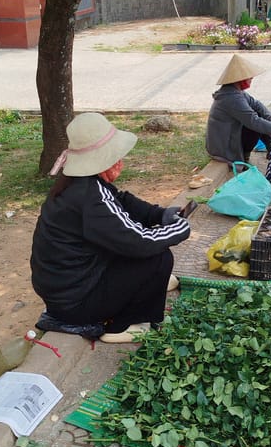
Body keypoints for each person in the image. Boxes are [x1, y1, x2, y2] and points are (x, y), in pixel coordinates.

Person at [30, 112, 190, 343]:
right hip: (76, 303)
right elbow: (141, 242)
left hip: (65, 290)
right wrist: (179, 229)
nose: (120, 162)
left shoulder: (79, 183)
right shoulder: (91, 199)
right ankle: (121, 326)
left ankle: (142, 292)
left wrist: (158, 214)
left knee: (145, 260)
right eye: (115, 157)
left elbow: (122, 200)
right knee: (158, 259)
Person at [205, 54, 271, 167]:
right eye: (249, 77)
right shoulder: (232, 98)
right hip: (223, 149)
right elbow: (254, 121)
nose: (252, 79)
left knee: (261, 117)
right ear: (240, 79)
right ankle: (248, 155)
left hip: (227, 139)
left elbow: (257, 105)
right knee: (257, 123)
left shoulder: (236, 92)